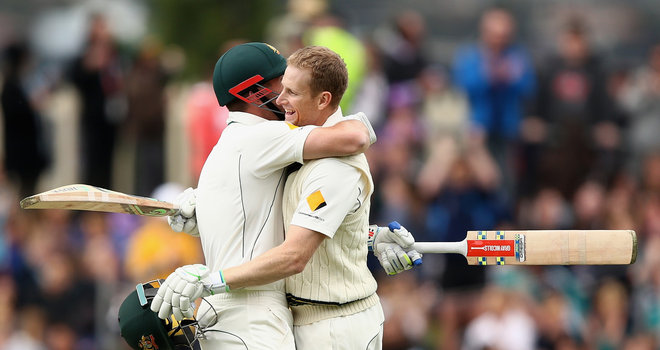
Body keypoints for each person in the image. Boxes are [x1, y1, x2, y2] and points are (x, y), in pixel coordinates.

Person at [151, 45, 420, 349]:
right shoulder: (267, 138)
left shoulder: (234, 146)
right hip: (257, 320)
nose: (282, 97)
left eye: (291, 88)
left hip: (265, 318)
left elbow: (292, 225)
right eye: (281, 83)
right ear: (252, 94)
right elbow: (357, 136)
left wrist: (365, 237)